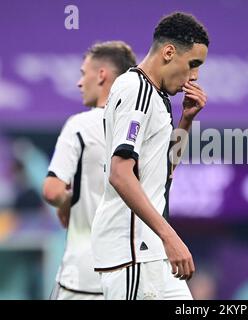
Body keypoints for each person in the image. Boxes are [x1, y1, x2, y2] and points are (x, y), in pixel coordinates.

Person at [91, 12, 209, 300]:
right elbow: (120, 173)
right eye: (193, 64)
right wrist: (169, 236)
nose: (194, 76)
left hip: (149, 252)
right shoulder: (137, 90)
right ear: (169, 52)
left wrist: (186, 121)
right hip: (133, 252)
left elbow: (164, 170)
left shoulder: (156, 97)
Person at [42, 41, 137, 300]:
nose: (79, 82)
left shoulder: (80, 126)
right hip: (129, 277)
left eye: (84, 73)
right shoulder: (140, 129)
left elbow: (52, 191)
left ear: (102, 75)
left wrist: (65, 201)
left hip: (82, 275)